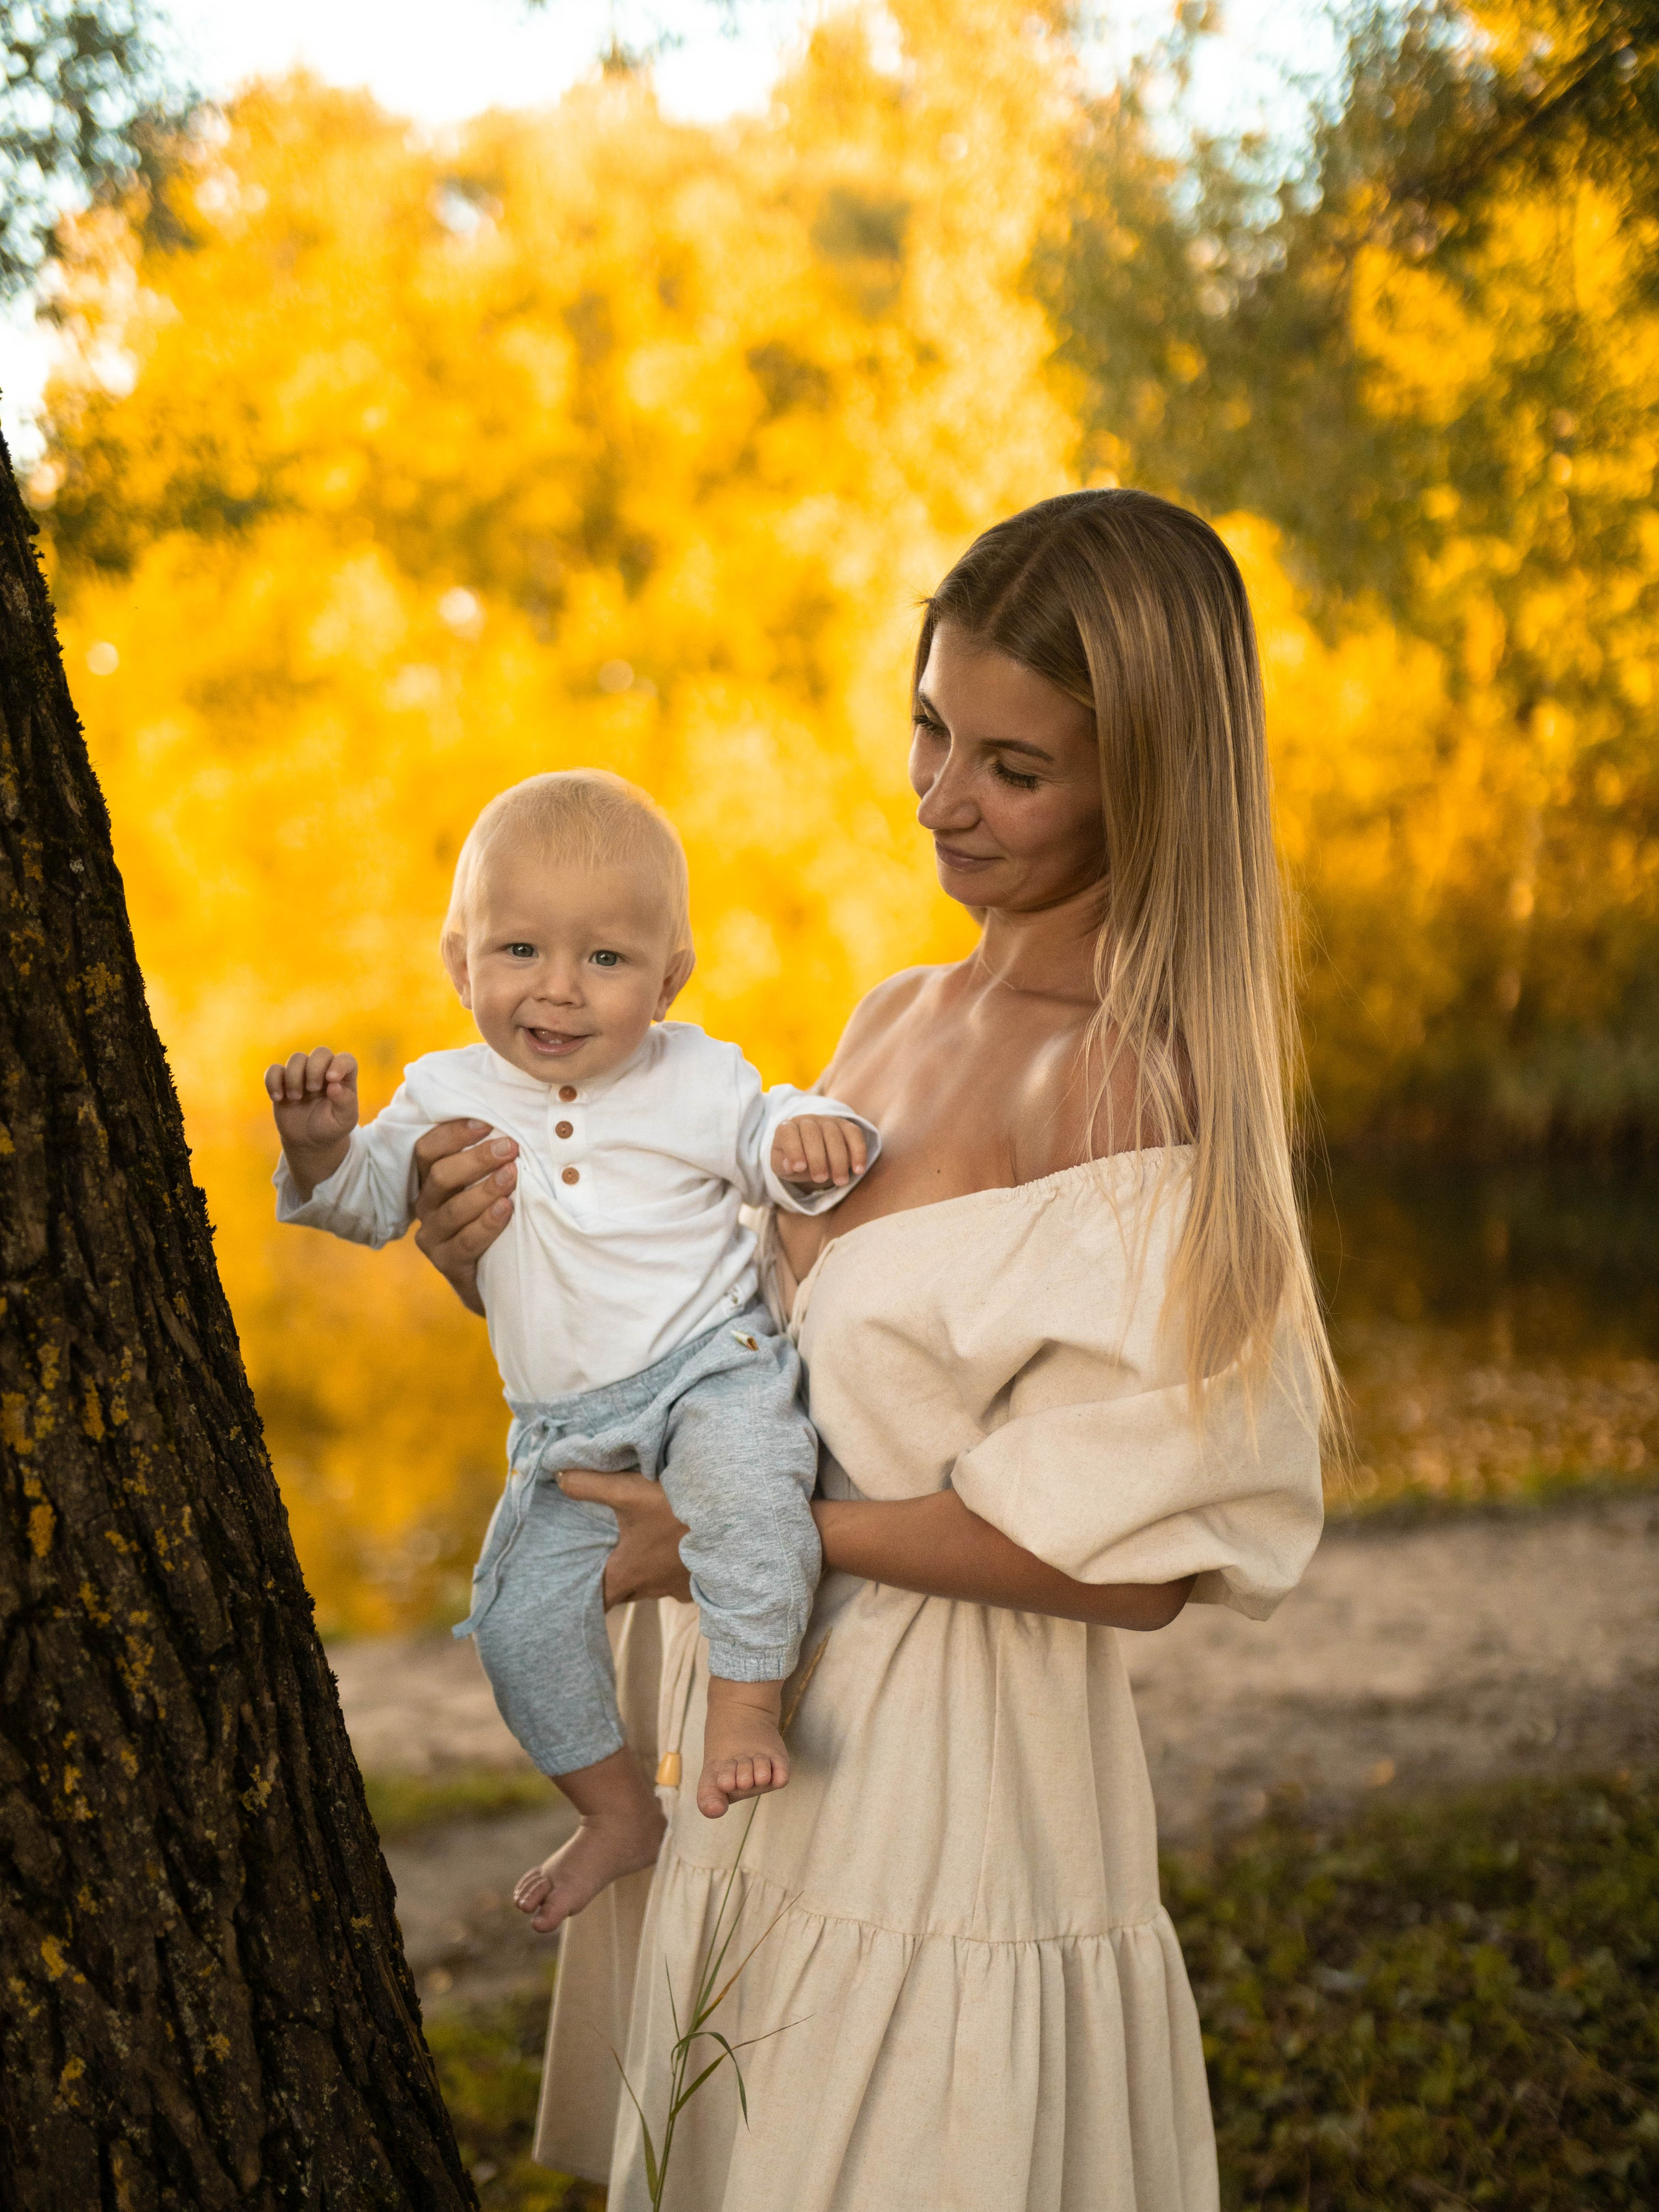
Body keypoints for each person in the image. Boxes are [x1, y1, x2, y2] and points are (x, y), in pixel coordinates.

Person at [411, 489, 1332, 2210]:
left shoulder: (1133, 1081)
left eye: (1013, 764)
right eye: (929, 725)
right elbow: (742, 1351)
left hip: (940, 1773)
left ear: (1147, 773)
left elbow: (1136, 1561)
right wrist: (498, 1263)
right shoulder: (897, 1016)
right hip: (752, 1714)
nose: (941, 794)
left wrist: (743, 1535)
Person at [264, 769, 878, 1935]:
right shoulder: (445, 1089)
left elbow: (769, 1143)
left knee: (750, 1491)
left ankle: (746, 1704)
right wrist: (319, 1147)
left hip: (711, 1366)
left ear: (669, 978)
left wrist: (807, 1137)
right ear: (460, 961)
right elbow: (361, 1203)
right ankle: (613, 1810)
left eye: (604, 959)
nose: (557, 989)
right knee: (513, 1616)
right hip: (561, 1428)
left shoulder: (697, 1073)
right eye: (519, 950)